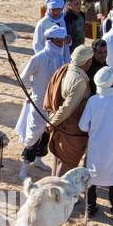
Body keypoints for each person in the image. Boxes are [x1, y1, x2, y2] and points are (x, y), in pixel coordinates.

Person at [79, 66, 113, 221]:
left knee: (91, 178)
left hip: (95, 148)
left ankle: (91, 207)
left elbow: (83, 126)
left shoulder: (92, 101)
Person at [16, 24, 71, 179]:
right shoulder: (39, 58)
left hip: (55, 104)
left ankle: (39, 160)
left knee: (48, 133)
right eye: (58, 42)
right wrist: (34, 91)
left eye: (62, 42)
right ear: (51, 40)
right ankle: (24, 168)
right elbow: (23, 78)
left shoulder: (61, 57)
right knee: (33, 135)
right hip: (39, 103)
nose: (61, 44)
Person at [45, 44, 96, 176]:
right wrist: (53, 123)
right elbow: (67, 108)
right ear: (87, 61)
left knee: (59, 160)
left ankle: (54, 188)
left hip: (61, 125)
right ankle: (58, 194)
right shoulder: (79, 81)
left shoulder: (66, 69)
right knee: (67, 164)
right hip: (70, 129)